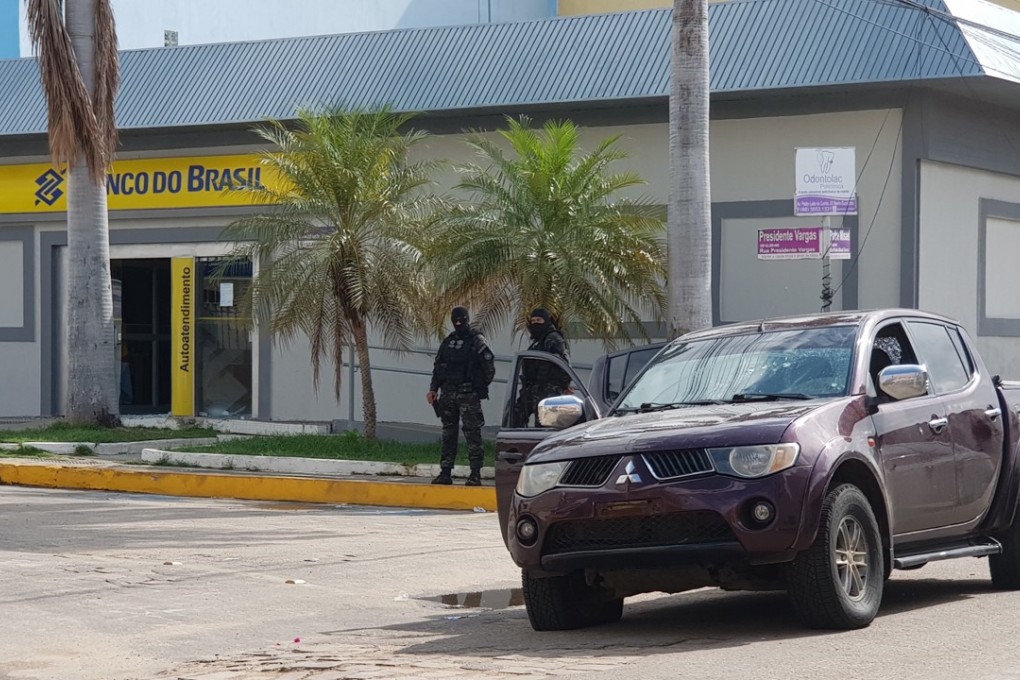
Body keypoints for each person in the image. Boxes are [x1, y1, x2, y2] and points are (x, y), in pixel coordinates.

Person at [426, 306, 496, 486]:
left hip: (468, 395)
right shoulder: (448, 342)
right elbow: (438, 366)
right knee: (448, 433)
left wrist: (479, 387)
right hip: (448, 394)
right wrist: (433, 389)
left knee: (472, 433)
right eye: (455, 319)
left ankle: (475, 474)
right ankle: (446, 472)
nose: (458, 323)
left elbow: (489, 365)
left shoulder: (476, 340)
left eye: (461, 319)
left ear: (467, 319)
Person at [514, 308, 572, 427]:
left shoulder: (553, 338)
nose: (535, 323)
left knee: (543, 427)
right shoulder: (538, 341)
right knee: (515, 416)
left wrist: (563, 385)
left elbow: (564, 364)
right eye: (533, 320)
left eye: (539, 320)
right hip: (533, 389)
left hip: (548, 391)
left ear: (546, 321)